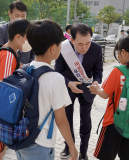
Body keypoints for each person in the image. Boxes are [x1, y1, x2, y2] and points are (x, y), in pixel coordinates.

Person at [15, 20, 78, 160]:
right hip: (40, 145)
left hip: (21, 139)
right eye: (60, 44)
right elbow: (61, 119)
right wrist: (72, 147)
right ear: (53, 48)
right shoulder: (55, 78)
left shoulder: (24, 69)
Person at [89, 35, 129, 160]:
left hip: (113, 122)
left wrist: (96, 90)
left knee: (106, 157)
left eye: (118, 52)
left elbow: (105, 94)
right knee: (127, 157)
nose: (117, 55)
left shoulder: (118, 71)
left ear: (123, 52)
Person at [55, 23, 103, 160]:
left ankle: (83, 151)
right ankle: (68, 146)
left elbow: (98, 71)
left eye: (88, 43)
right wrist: (69, 83)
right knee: (67, 119)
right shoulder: (63, 48)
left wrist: (96, 81)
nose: (85, 48)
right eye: (80, 44)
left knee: (85, 121)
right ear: (72, 40)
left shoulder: (97, 49)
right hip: (68, 88)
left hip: (87, 89)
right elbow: (57, 71)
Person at [0, 19, 31, 160]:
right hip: (2, 110)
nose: (29, 41)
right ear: (18, 37)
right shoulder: (8, 55)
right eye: (28, 37)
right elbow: (5, 87)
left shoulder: (7, 50)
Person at [0, 0, 34, 64]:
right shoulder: (1, 30)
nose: (20, 18)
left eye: (23, 16)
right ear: (10, 14)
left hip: (26, 71)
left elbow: (33, 53)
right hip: (7, 68)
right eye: (17, 16)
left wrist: (29, 67)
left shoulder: (29, 31)